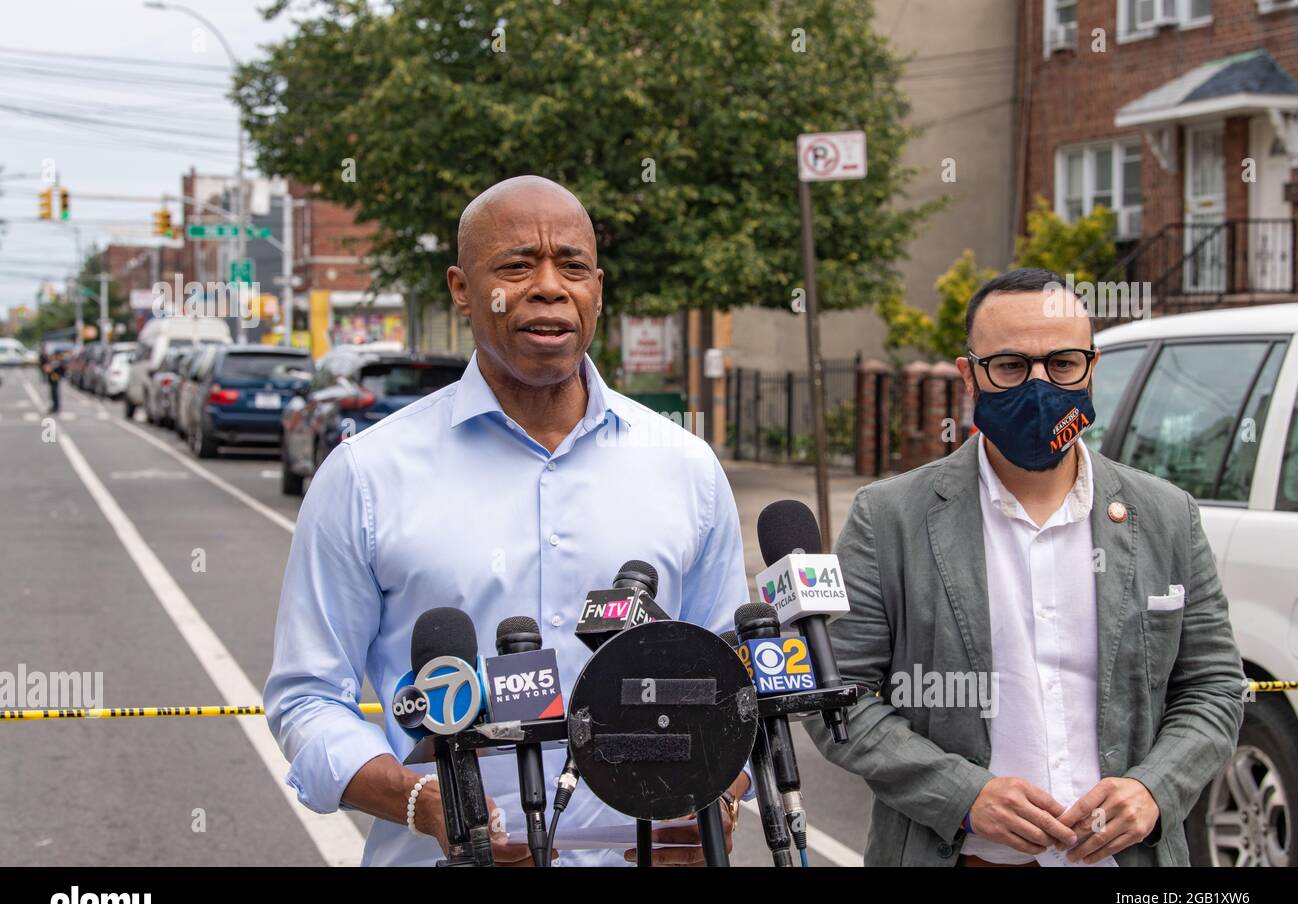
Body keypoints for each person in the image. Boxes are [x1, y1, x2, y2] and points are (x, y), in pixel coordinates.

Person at [265, 175, 751, 866]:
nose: (550, 287)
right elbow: (308, 697)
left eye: (572, 266)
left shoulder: (686, 469)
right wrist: (421, 803)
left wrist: (719, 799)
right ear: (462, 288)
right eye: (518, 264)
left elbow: (738, 684)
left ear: (598, 289)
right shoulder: (366, 476)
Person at [808, 267, 1245, 866]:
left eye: (1062, 363)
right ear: (969, 376)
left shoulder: (1166, 516)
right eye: (1011, 366)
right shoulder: (889, 519)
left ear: (1091, 368)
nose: (1040, 385)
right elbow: (837, 698)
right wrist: (963, 794)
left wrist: (1154, 788)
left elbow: (1214, 687)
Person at [41, 348, 64, 414]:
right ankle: (55, 406)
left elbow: (50, 369)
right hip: (53, 378)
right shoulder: (55, 361)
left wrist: (50, 368)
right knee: (53, 393)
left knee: (55, 393)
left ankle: (56, 407)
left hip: (55, 378)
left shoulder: (58, 361)